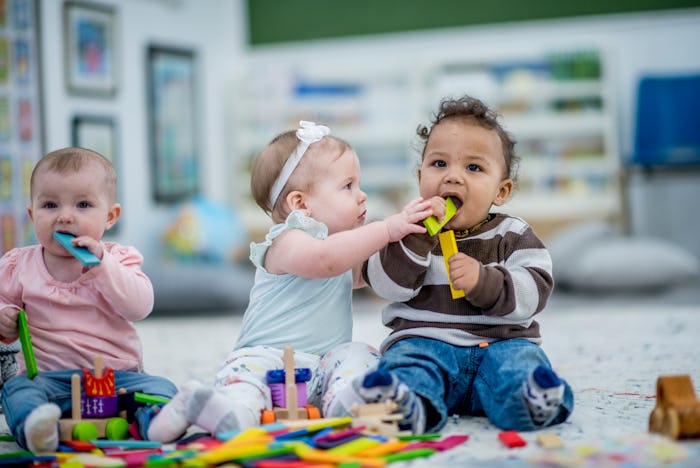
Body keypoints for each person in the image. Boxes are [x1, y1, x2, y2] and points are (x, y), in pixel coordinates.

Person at [147, 121, 433, 442]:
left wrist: (410, 241)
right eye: (348, 186)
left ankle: (346, 400)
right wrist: (385, 229)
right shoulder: (287, 241)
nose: (362, 195)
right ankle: (220, 408)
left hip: (323, 364)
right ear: (300, 204)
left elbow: (372, 273)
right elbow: (325, 260)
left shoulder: (339, 245)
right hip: (267, 357)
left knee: (359, 353)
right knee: (246, 382)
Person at [354, 96, 574, 434]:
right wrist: (416, 238)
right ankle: (406, 405)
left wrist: (485, 282)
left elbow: (536, 290)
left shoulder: (512, 234)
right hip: (425, 343)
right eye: (439, 164)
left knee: (520, 365)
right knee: (406, 364)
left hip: (501, 344)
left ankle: (532, 400)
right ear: (420, 176)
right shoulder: (404, 228)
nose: (453, 177)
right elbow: (386, 285)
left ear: (501, 191)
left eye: (473, 168)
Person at [0, 147, 177, 453]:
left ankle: (157, 424)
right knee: (15, 390)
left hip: (117, 379)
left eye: (83, 204)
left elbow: (140, 306)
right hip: (49, 381)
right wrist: (4, 317)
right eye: (50, 205)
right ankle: (38, 427)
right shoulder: (19, 266)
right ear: (32, 214)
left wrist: (103, 267)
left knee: (162, 389)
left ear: (110, 216)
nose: (65, 216)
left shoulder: (119, 260)